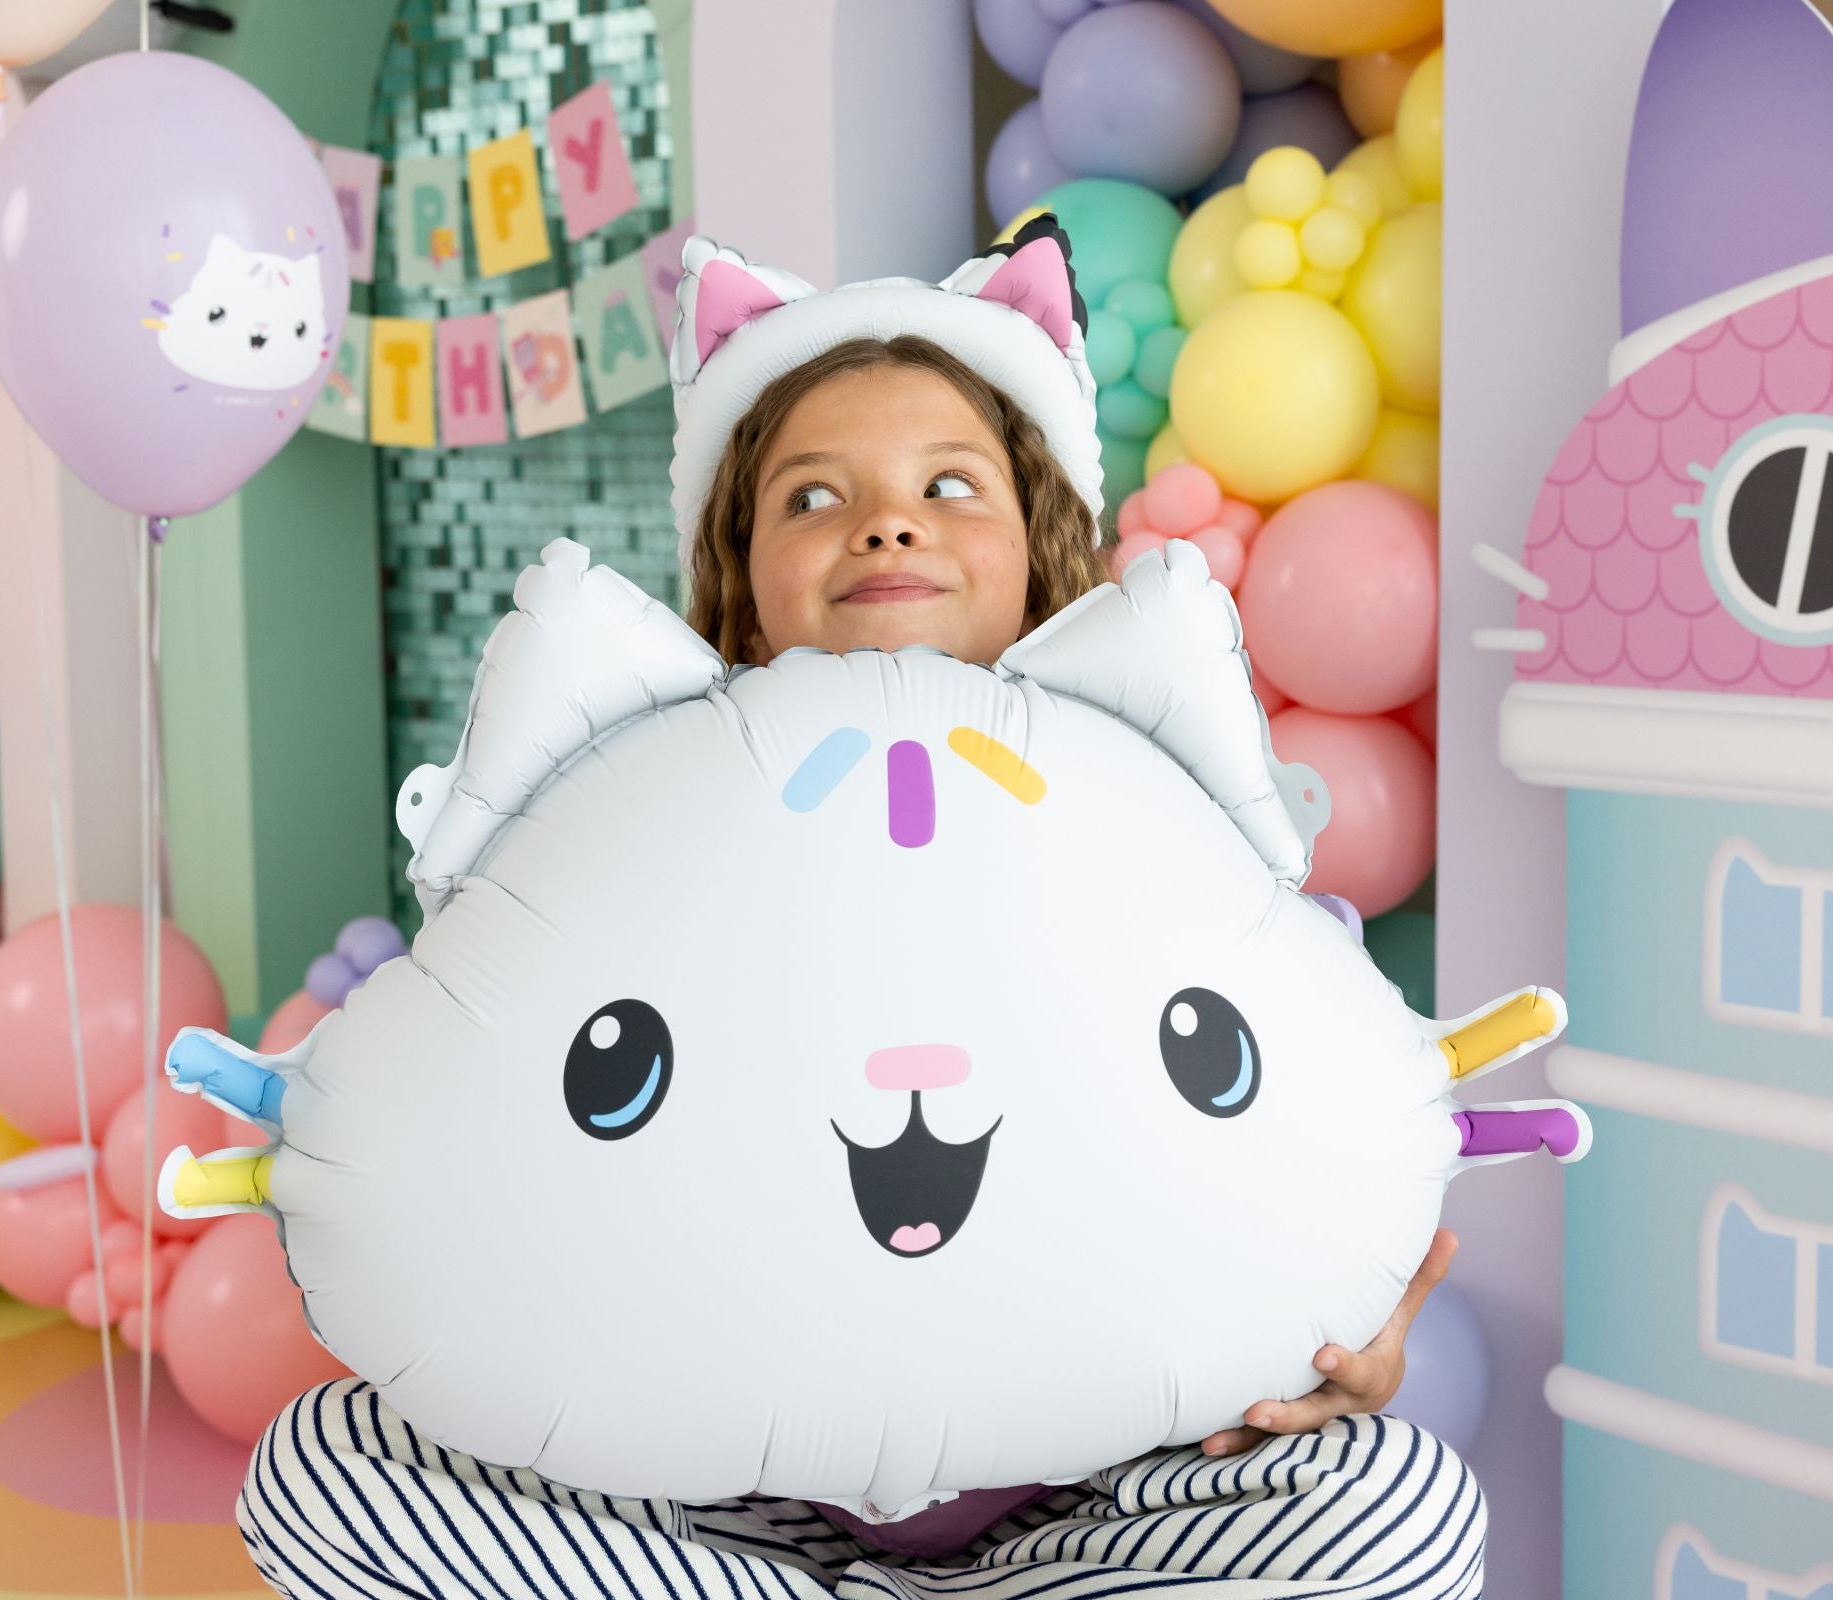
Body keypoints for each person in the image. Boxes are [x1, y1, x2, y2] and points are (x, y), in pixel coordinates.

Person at [240, 224, 1484, 1600]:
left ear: (1042, 551)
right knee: (326, 1469)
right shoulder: (640, 806)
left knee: (1398, 1510)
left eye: (950, 485)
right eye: (813, 498)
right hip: (711, 1487)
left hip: (1101, 1487)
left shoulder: (1169, 802)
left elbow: (1287, 1114)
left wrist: (1345, 1320)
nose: (888, 524)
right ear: (742, 584)